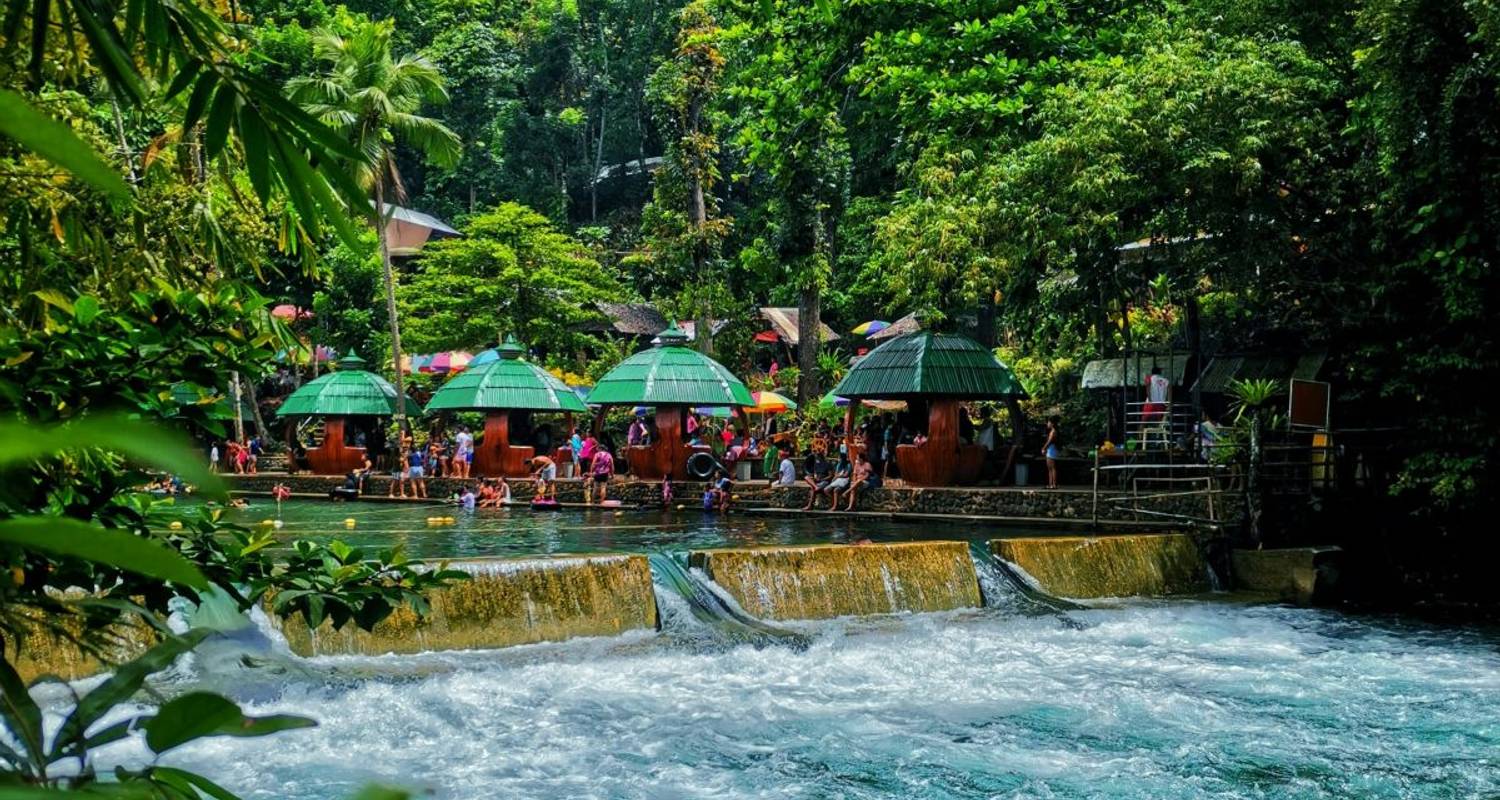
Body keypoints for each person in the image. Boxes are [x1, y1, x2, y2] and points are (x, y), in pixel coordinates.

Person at [1042, 417, 1060, 489]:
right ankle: (1050, 484)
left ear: (1052, 424)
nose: (1047, 424)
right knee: (1049, 468)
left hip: (1052, 449)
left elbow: (1049, 441)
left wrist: (1044, 448)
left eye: (1049, 422)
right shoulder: (1052, 431)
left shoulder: (1053, 431)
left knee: (1052, 467)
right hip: (1050, 449)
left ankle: (1054, 484)